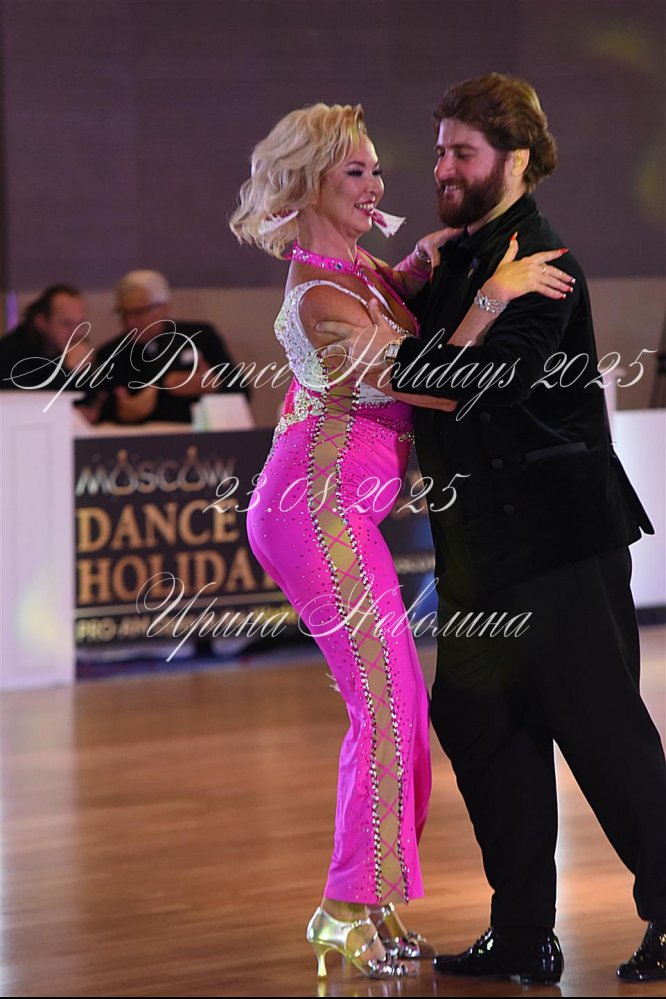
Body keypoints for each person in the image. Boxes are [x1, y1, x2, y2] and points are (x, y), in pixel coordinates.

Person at [318, 75, 666, 984]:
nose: (441, 167)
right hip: (480, 548)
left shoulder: (542, 265)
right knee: (482, 723)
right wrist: (429, 279)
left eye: (461, 153)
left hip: (560, 542)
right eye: (439, 150)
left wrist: (445, 321)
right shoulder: (465, 258)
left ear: (515, 160)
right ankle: (522, 933)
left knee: (601, 731)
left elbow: (465, 383)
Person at [229, 101, 573, 980]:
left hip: (339, 513)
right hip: (311, 512)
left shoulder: (357, 269)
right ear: (309, 183)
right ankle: (345, 906)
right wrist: (494, 295)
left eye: (378, 169)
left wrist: (426, 261)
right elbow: (430, 385)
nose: (378, 185)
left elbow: (406, 285)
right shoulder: (318, 297)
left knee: (398, 709)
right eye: (357, 172)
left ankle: (367, 899)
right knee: (385, 708)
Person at [95, 270, 250, 424]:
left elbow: (242, 391)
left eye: (139, 312)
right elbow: (99, 409)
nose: (130, 321)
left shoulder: (198, 337)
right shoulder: (111, 353)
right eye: (124, 313)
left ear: (164, 308)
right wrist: (121, 412)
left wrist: (213, 386)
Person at [0, 284, 105, 423]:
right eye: (66, 324)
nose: (76, 332)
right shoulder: (10, 352)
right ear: (41, 322)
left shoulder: (76, 347)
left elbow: (94, 404)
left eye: (80, 323)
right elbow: (24, 406)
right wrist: (68, 370)